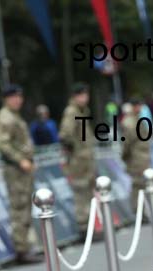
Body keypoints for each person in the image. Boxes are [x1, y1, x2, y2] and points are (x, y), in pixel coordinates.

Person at [0, 85, 43, 264]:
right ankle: (21, 249)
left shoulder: (14, 116)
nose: (18, 100)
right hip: (15, 170)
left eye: (19, 97)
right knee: (19, 208)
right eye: (14, 97)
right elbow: (3, 144)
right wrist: (20, 160)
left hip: (23, 170)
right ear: (7, 98)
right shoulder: (5, 117)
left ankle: (25, 247)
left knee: (24, 207)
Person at [58, 83, 97, 239]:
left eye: (86, 95)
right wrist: (76, 152)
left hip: (86, 161)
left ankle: (89, 228)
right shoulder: (72, 112)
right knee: (80, 194)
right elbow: (65, 135)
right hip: (78, 162)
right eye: (81, 95)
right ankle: (83, 228)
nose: (85, 98)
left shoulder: (83, 111)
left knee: (88, 193)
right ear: (75, 96)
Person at [121, 97, 152, 204]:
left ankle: (144, 210)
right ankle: (138, 210)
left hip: (142, 156)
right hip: (136, 158)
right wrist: (125, 157)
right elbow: (127, 143)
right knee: (138, 185)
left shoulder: (137, 118)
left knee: (143, 184)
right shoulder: (129, 122)